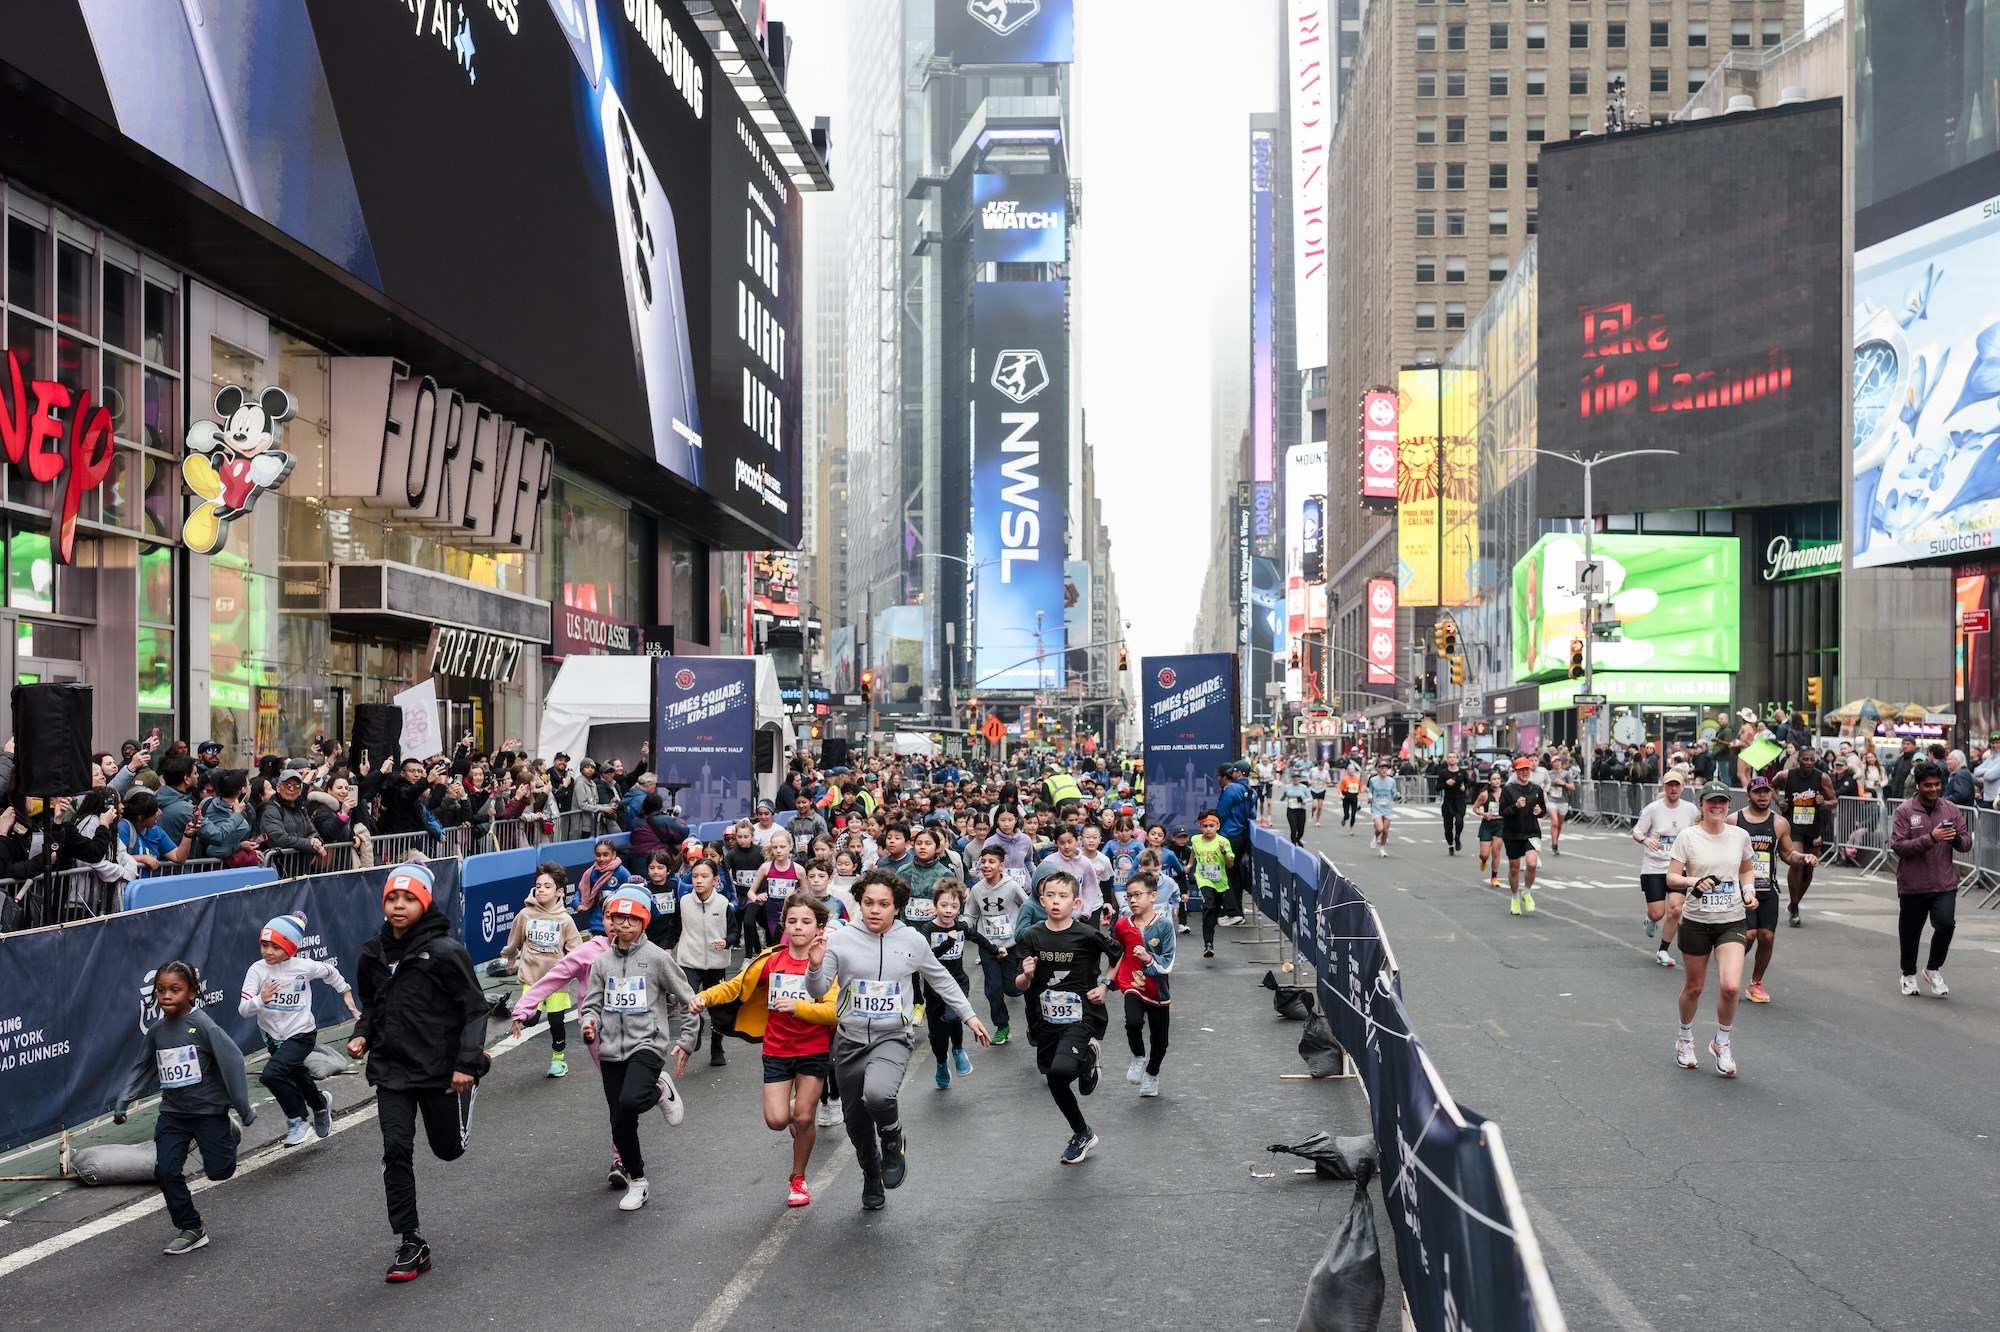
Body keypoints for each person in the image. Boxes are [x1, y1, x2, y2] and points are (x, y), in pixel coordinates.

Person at [803, 867, 991, 1211]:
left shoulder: (912, 940)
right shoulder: (841, 939)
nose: (875, 910)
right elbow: (816, 991)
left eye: (884, 904)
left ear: (897, 907)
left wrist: (970, 1015)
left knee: (877, 1095)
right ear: (859, 903)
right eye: (868, 903)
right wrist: (814, 967)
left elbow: (942, 980)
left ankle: (892, 1137)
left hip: (892, 1036)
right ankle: (871, 1175)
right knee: (856, 1124)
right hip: (848, 1041)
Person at [347, 862, 489, 1282]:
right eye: (392, 897)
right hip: (391, 1069)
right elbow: (371, 1004)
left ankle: (472, 1081)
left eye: (408, 898)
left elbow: (475, 1007)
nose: (399, 905)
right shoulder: (372, 952)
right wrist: (361, 1035)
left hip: (440, 1070)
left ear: (424, 903)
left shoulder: (444, 951)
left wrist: (466, 1063)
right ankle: (411, 1241)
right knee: (396, 1149)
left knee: (448, 1150)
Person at [688, 894, 838, 1207]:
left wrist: (799, 1008)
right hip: (778, 1049)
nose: (798, 927)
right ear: (784, 924)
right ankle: (796, 1108)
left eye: (806, 922)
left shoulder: (827, 962)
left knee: (805, 1116)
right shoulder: (770, 959)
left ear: (819, 927)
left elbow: (834, 1012)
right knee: (777, 1119)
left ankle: (797, 1179)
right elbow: (734, 986)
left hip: (813, 1048)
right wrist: (705, 997)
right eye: (793, 921)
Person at [112, 960, 255, 1256]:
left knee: (220, 1171)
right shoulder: (157, 1032)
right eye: (160, 990)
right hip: (173, 1113)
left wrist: (242, 1106)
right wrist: (124, 1100)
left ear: (191, 993)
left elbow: (232, 1061)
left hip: (209, 1112)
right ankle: (191, 1226)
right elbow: (143, 1067)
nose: (166, 996)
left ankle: (227, 1130)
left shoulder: (203, 1025)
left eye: (174, 990)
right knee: (165, 1170)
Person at [577, 887, 701, 1212]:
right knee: (620, 1121)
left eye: (633, 918)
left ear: (644, 921)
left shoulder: (658, 958)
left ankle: (659, 1087)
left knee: (632, 1098)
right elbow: (591, 1004)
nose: (626, 923)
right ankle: (638, 1181)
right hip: (611, 1050)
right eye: (620, 917)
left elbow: (692, 1001)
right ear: (613, 921)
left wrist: (687, 1040)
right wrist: (589, 1024)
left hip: (648, 1043)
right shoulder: (602, 963)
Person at [1015, 870, 1123, 1164]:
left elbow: (1118, 954)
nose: (1055, 901)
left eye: (1063, 896)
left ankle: (1086, 1056)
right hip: (1046, 1017)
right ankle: (1082, 1133)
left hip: (1083, 1012)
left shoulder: (1086, 934)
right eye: (1050, 895)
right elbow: (1019, 985)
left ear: (1075, 903)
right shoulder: (1031, 935)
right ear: (1041, 899)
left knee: (1062, 1070)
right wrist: (1026, 975)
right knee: (1054, 1077)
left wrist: (1106, 985)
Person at [239, 913, 358, 1146]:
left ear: (291, 948)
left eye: (276, 946)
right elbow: (243, 1009)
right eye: (265, 945)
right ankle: (320, 1104)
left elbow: (330, 972)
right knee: (297, 1075)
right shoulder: (257, 970)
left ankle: (297, 1120)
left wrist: (345, 992)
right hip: (273, 1038)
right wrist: (260, 1000)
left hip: (302, 1033)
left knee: (271, 1074)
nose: (269, 952)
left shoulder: (304, 966)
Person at [1666, 781, 1758, 1076]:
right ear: (1702, 805)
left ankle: (1722, 1041)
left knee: (1731, 987)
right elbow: (1671, 878)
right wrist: (1693, 881)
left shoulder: (1740, 836)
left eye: (1721, 801)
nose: (1716, 806)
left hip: (1731, 919)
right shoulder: (1688, 837)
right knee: (1694, 987)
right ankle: (1684, 1038)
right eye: (1710, 802)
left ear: (1728, 805)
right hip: (1696, 920)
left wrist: (1748, 891)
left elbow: (1745, 869)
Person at [1733, 776, 1813, 1005]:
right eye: (1757, 792)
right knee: (1748, 935)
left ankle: (1755, 983)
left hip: (1768, 887)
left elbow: (1788, 854)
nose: (1763, 796)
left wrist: (1803, 857)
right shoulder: (1734, 821)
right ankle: (1730, 973)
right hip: (1741, 888)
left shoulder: (1779, 823)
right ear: (1749, 795)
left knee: (1766, 936)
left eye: (1766, 791)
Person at [1890, 761, 1968, 998]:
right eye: (1928, 785)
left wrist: (1954, 839)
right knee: (1910, 933)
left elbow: (1966, 842)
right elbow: (1898, 846)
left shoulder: (1951, 809)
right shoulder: (1905, 810)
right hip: (1913, 884)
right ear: (1918, 785)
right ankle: (1908, 974)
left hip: (1944, 882)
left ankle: (1932, 969)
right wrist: (1931, 838)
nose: (1934, 789)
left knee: (1946, 924)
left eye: (1937, 784)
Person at [500, 865, 584, 1077]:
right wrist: (510, 955)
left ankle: (558, 1059)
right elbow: (515, 939)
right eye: (538, 886)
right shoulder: (525, 915)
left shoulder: (565, 920)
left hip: (556, 980)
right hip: (532, 976)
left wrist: (578, 973)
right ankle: (523, 1015)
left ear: (559, 891)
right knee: (531, 1019)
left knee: (556, 1021)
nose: (541, 890)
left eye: (548, 886)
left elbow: (576, 951)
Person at [913, 884, 997, 1088]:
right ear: (935, 906)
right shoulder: (927, 930)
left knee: (952, 1016)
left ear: (960, 908)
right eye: (944, 905)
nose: (949, 910)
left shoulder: (959, 927)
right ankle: (941, 1062)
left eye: (954, 906)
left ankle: (958, 1049)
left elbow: (976, 936)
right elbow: (928, 958)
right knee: (937, 1033)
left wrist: (995, 949)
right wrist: (947, 943)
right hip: (934, 989)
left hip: (958, 982)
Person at [1113, 871, 1175, 1097]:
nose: (1132, 900)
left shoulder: (1165, 926)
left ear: (1152, 896)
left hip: (1157, 989)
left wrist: (1148, 958)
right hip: (1131, 983)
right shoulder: (1121, 925)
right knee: (1133, 1022)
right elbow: (1117, 953)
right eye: (1129, 896)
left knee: (1161, 1042)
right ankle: (1138, 1056)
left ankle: (1152, 1072)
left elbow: (1168, 963)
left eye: (1138, 895)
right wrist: (1107, 981)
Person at [1633, 769, 1698, 968]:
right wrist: (1645, 840)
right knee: (1657, 913)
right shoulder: (1653, 809)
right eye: (1670, 784)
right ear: (1664, 786)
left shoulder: (1691, 810)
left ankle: (1663, 949)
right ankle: (1650, 919)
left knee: (1675, 910)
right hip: (1654, 866)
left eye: (1677, 785)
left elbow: (1699, 831)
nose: (1673, 788)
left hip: (1677, 868)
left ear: (1682, 787)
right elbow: (1636, 831)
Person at [672, 859, 734, 1067]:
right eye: (695, 876)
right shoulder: (683, 902)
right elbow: (674, 928)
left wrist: (726, 942)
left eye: (704, 876)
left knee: (717, 1008)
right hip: (689, 959)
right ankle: (694, 1032)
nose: (698, 880)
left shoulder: (724, 904)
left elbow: (734, 931)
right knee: (689, 1001)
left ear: (716, 880)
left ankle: (717, 1048)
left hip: (716, 964)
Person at [966, 845, 1028, 1043]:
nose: (986, 865)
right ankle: (1002, 1025)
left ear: (1001, 865)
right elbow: (971, 914)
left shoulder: (1011, 886)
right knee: (992, 989)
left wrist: (1025, 932)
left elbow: (1026, 907)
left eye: (991, 862)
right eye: (983, 861)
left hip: (1011, 946)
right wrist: (963, 926)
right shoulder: (977, 889)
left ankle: (1024, 987)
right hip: (988, 947)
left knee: (1012, 988)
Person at [1778, 744, 1838, 928]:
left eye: (1812, 759)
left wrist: (1824, 802)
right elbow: (1770, 786)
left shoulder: (1822, 777)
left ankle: (1795, 903)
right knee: (1797, 862)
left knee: (1809, 868)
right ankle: (1795, 908)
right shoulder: (1787, 775)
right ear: (1799, 760)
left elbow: (1834, 801)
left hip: (1814, 826)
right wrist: (1778, 801)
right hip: (1793, 825)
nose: (1809, 763)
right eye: (1806, 759)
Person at [1499, 757, 1547, 916]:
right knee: (1514, 867)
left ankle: (1527, 892)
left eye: (1527, 769)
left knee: (1532, 864)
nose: (1525, 772)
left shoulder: (1536, 789)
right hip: (1512, 832)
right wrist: (1515, 807)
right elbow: (1502, 812)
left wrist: (1540, 812)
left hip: (1532, 832)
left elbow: (1543, 809)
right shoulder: (1508, 789)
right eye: (1521, 770)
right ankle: (1514, 897)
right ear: (1516, 771)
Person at [1186, 809, 1235, 959]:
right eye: (1205, 826)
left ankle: (1210, 927)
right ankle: (1208, 943)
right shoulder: (1195, 839)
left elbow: (1231, 864)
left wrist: (1223, 852)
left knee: (1214, 912)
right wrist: (1190, 864)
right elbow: (1194, 851)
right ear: (1200, 827)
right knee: (1208, 905)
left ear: (1218, 826)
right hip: (1204, 878)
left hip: (1220, 881)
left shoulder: (1223, 842)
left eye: (1211, 826)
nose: (1208, 829)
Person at [1216, 762, 1257, 923]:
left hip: (1228, 835)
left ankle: (1233, 912)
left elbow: (1222, 812)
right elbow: (1252, 814)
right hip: (1242, 836)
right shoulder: (1252, 791)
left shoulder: (1232, 789)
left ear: (1238, 773)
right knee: (1235, 873)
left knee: (1225, 873)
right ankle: (1236, 910)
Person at [1542, 754, 1577, 855]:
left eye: (1558, 762)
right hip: (1551, 800)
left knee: (1560, 825)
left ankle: (1555, 841)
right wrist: (1545, 793)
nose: (1557, 763)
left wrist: (1563, 783)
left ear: (1561, 763)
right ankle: (1554, 845)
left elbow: (1573, 787)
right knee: (1555, 823)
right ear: (1552, 764)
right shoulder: (1548, 774)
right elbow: (1544, 786)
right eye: (1555, 762)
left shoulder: (1566, 774)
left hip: (1563, 801)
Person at [1436, 753, 1470, 856]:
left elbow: (1468, 783)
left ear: (1457, 760)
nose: (1452, 759)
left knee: (1459, 821)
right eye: (1450, 757)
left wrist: (1464, 788)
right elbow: (1437, 787)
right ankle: (1450, 844)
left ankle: (1458, 837)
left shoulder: (1462, 772)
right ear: (1447, 760)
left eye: (1454, 757)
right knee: (1448, 826)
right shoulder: (1443, 773)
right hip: (1448, 801)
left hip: (1460, 800)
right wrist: (1446, 783)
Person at [1365, 759, 1398, 858]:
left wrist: (1397, 795)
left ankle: (1382, 849)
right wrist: (1370, 796)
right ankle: (1375, 836)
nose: (1384, 770)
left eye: (1386, 768)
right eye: (1382, 768)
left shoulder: (1391, 781)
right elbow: (1370, 790)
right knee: (1380, 828)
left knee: (1386, 830)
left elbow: (1394, 792)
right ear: (1378, 769)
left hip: (1387, 807)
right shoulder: (1373, 780)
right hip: (1377, 807)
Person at [1279, 770, 1311, 845]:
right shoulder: (1287, 787)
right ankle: (1293, 845)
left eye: (1297, 777)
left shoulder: (1304, 787)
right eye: (1294, 777)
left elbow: (1311, 798)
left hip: (1301, 809)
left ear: (1300, 779)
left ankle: (1298, 839)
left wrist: (1305, 801)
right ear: (1292, 779)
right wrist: (1284, 796)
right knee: (1294, 829)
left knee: (1301, 829)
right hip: (1291, 810)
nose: (1296, 779)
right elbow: (1282, 799)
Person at [1337, 764, 1363, 833]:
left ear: (1355, 770)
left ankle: (1351, 829)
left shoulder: (1358, 778)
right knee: (1347, 815)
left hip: (1354, 797)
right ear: (1348, 771)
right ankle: (1344, 819)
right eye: (1350, 769)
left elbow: (1360, 787)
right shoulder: (1345, 779)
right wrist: (1340, 795)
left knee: (1353, 814)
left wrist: (1362, 790)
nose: (1351, 771)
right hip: (1346, 797)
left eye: (1353, 769)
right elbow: (1340, 788)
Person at [1307, 759, 1332, 828]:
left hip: (1322, 789)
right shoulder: (1313, 770)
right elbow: (1308, 776)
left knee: (1320, 807)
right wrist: (1309, 781)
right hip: (1314, 789)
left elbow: (1329, 780)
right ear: (1318, 765)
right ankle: (1312, 814)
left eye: (1322, 766)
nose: (1321, 767)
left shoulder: (1326, 772)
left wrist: (1326, 781)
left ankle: (1317, 820)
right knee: (1315, 805)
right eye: (1320, 766)